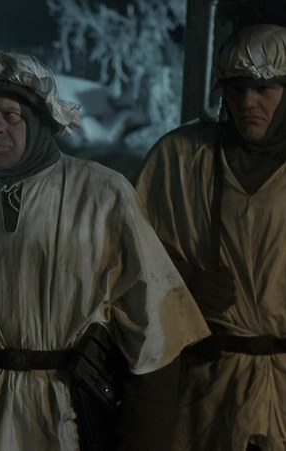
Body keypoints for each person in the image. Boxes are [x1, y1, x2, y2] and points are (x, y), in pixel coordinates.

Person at [0, 49, 210, 450]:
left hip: (67, 416)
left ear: (39, 121)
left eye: (10, 115)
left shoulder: (100, 194)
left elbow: (154, 326)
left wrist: (142, 434)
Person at [135, 23, 286, 451]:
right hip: (208, 391)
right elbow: (124, 256)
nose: (247, 102)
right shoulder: (181, 160)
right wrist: (181, 284)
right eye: (236, 89)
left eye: (264, 88)